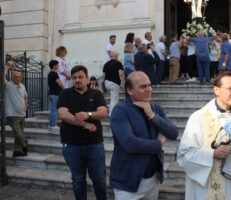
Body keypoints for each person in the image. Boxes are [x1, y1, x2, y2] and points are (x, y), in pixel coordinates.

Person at [177, 71, 231, 200]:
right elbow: (184, 155)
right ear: (216, 90)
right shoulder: (198, 117)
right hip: (207, 187)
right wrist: (212, 154)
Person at [109, 71, 178, 200]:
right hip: (128, 182)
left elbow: (173, 133)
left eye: (149, 85)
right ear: (129, 90)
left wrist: (152, 115)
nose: (149, 89)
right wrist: (158, 143)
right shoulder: (120, 111)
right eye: (143, 87)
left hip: (152, 179)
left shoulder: (155, 108)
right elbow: (130, 144)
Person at [57, 65, 108, 200]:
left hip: (94, 144)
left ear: (87, 78)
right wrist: (85, 124)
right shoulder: (65, 94)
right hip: (72, 145)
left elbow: (103, 112)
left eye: (80, 77)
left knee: (99, 179)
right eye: (74, 78)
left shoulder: (96, 94)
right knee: (78, 179)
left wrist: (88, 114)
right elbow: (62, 114)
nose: (77, 80)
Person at [4, 60, 28, 158]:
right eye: (16, 77)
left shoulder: (22, 85)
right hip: (12, 115)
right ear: (11, 77)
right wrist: (7, 67)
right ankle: (25, 145)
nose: (18, 78)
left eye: (19, 77)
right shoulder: (8, 85)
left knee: (19, 134)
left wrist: (26, 106)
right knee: (19, 134)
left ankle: (17, 151)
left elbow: (26, 97)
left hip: (22, 115)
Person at [103, 51, 125, 116]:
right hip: (114, 83)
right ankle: (112, 114)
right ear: (116, 56)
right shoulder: (118, 63)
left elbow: (104, 75)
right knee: (114, 99)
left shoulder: (106, 64)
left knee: (112, 98)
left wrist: (104, 84)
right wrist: (122, 83)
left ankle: (112, 112)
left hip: (107, 83)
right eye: (117, 55)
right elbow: (121, 74)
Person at [47, 60, 64, 132]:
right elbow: (60, 83)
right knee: (54, 110)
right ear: (54, 66)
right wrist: (64, 89)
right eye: (57, 64)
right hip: (56, 94)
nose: (58, 66)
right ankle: (53, 126)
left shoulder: (49, 74)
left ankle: (50, 125)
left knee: (52, 110)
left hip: (51, 93)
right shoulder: (54, 74)